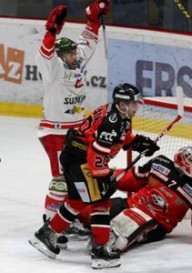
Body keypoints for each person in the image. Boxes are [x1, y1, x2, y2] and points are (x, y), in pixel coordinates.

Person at [29, 83, 160, 269]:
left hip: (75, 157)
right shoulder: (112, 122)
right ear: (122, 104)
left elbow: (121, 137)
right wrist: (103, 175)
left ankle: (47, 234)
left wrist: (138, 143)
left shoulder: (121, 117)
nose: (136, 107)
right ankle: (100, 250)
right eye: (133, 104)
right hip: (81, 161)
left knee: (77, 202)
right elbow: (96, 154)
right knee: (101, 202)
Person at [36, 1, 110, 241]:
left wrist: (94, 19)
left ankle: (67, 219)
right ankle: (50, 224)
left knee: (73, 177)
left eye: (73, 52)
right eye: (69, 53)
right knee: (59, 180)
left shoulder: (77, 62)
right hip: (55, 132)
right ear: (60, 56)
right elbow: (45, 53)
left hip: (75, 131)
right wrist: (51, 32)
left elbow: (87, 42)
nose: (74, 56)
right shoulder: (53, 68)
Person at [106, 146, 192, 252]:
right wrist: (110, 175)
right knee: (98, 209)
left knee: (122, 234)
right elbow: (135, 178)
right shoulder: (160, 162)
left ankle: (107, 246)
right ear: (180, 158)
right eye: (189, 159)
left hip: (157, 223)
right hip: (132, 204)